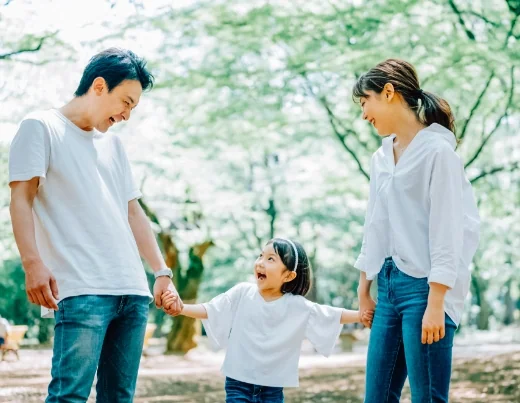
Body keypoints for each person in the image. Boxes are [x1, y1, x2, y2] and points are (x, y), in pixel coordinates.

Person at [8, 48, 183, 402]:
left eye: (133, 107)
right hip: (82, 288)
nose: (127, 115)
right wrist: (32, 263)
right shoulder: (40, 127)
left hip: (132, 292)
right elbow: (21, 199)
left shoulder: (113, 146)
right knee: (70, 397)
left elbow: (134, 214)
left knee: (119, 398)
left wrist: (161, 270)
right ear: (99, 86)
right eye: (126, 102)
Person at [353, 59, 480, 402]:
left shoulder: (438, 153)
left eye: (365, 102)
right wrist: (365, 285)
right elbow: (375, 224)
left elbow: (448, 229)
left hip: (426, 288)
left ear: (389, 93)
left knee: (428, 398)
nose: (364, 114)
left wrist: (437, 300)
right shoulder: (381, 158)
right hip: (389, 285)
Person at [162, 237, 373, 403]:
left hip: (272, 388)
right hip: (238, 383)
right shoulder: (242, 293)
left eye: (270, 259)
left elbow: (331, 314)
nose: (260, 263)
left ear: (288, 276)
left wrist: (361, 315)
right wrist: (181, 308)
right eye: (261, 256)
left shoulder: (296, 305)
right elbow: (210, 309)